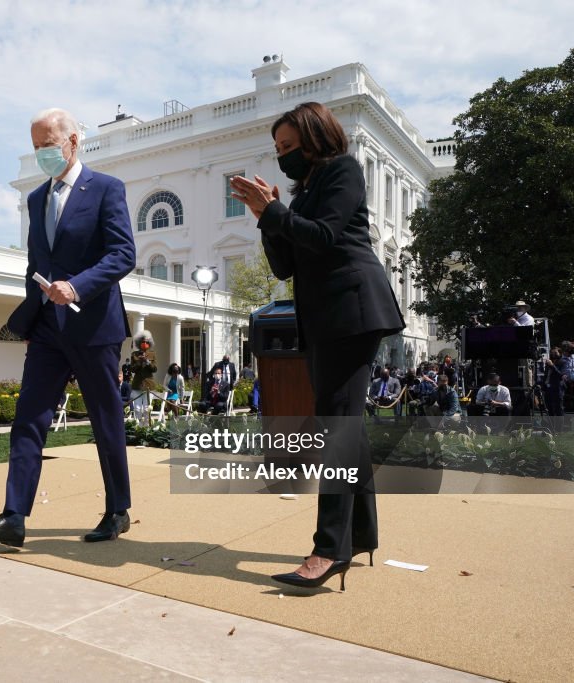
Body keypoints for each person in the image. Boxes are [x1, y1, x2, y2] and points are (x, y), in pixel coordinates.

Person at [230, 102, 404, 591]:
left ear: (315, 139)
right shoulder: (303, 192)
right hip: (327, 319)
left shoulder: (342, 171)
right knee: (347, 426)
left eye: (288, 147)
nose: (282, 156)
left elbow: (325, 238)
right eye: (278, 149)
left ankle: (329, 549)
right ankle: (361, 536)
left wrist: (276, 210)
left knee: (337, 428)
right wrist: (265, 216)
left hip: (353, 311)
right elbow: (286, 265)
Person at [0, 107, 135, 548]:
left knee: (104, 421)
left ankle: (118, 510)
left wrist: (76, 288)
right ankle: (14, 517)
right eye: (36, 146)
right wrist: (35, 306)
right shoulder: (38, 198)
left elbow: (122, 254)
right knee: (28, 420)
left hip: (94, 325)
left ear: (73, 141)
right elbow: (37, 262)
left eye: (48, 145)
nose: (42, 153)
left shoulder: (107, 189)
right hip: (47, 329)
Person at [543, 347, 567, 417]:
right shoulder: (550, 361)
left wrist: (552, 365)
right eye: (552, 353)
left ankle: (559, 427)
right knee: (549, 408)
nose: (553, 354)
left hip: (557, 388)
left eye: (555, 353)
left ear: (560, 353)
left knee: (558, 408)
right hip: (548, 388)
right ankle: (551, 426)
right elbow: (546, 375)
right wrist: (543, 386)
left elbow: (561, 375)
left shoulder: (563, 362)